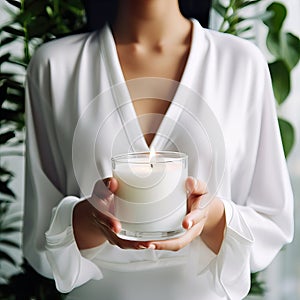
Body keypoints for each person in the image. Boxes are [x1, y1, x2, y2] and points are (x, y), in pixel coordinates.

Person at [23, 0, 294, 299]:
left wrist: (210, 217)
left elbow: (272, 220)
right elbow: (40, 236)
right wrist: (91, 217)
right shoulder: (55, 66)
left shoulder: (241, 64)